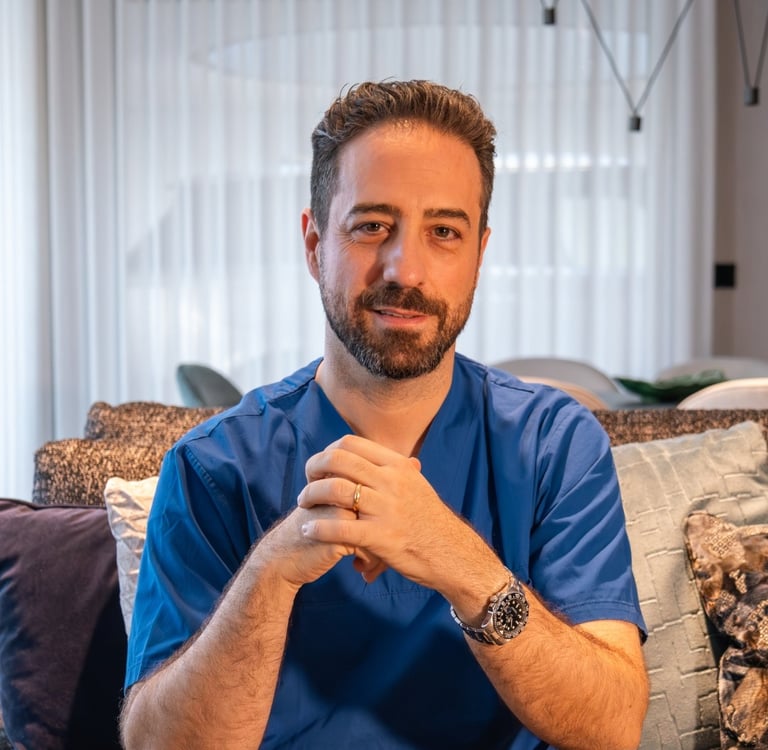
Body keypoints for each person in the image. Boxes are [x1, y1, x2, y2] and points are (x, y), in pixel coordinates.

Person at [120, 80, 649, 750]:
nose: (407, 269)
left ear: (479, 255)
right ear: (314, 244)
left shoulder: (554, 445)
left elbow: (611, 727)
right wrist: (271, 570)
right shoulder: (211, 468)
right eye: (372, 226)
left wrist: (458, 560)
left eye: (444, 232)